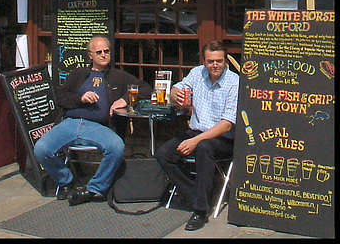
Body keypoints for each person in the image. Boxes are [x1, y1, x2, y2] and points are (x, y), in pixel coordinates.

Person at [34, 35, 151, 205]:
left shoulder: (118, 76)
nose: (103, 55)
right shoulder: (78, 74)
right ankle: (66, 181)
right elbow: (60, 97)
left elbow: (146, 88)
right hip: (70, 122)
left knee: (117, 147)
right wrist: (80, 98)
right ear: (90, 55)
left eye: (106, 51)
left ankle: (94, 189)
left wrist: (125, 99)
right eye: (99, 52)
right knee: (41, 149)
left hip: (98, 126)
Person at [155, 40, 239, 231]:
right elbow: (178, 88)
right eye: (210, 61)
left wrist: (195, 140)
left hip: (222, 138)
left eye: (219, 61)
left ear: (225, 61)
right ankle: (194, 195)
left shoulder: (234, 82)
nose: (215, 65)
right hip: (196, 131)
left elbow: (227, 125)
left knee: (202, 148)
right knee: (163, 154)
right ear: (204, 62)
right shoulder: (197, 73)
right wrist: (174, 94)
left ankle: (200, 211)